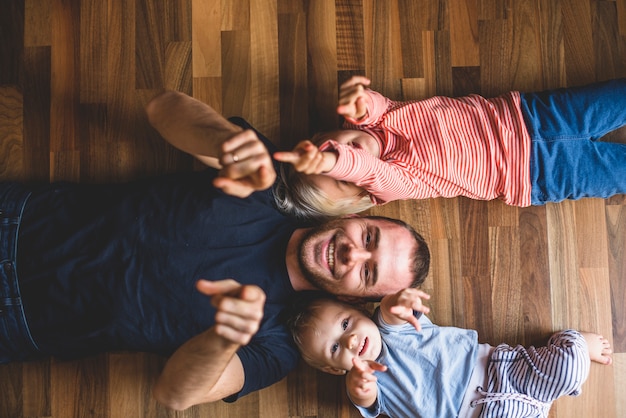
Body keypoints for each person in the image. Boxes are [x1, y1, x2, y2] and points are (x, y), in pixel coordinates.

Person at [0, 91, 430, 410]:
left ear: (354, 297)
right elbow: (162, 108)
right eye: (368, 238)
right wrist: (224, 140)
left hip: (18, 324)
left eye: (368, 273)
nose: (352, 255)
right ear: (357, 218)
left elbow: (175, 395)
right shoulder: (266, 182)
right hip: (17, 218)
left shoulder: (275, 346)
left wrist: (224, 337)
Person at [273, 76, 626, 220]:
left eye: (327, 145)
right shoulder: (394, 183)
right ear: (360, 194)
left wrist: (359, 102)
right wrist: (335, 161)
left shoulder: (379, 120)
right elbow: (368, 169)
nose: (340, 150)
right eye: (337, 172)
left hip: (531, 115)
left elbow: (375, 107)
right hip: (537, 174)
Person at [286, 289, 613, 418]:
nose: (351, 341)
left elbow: (392, 312)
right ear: (333, 369)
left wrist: (392, 305)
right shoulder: (363, 383)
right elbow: (367, 401)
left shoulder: (388, 329)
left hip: (499, 371)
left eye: (345, 324)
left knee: (569, 367)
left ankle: (572, 341)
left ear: (358, 310)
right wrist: (361, 389)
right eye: (335, 348)